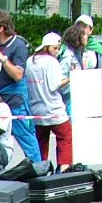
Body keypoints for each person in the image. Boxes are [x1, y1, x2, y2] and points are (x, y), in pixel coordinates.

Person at [0, 10, 41, 163]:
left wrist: (1, 57)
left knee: (25, 135)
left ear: (1, 28)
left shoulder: (18, 46)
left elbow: (18, 75)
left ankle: (38, 167)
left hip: (15, 100)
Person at [25, 33, 70, 172]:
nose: (57, 51)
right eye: (55, 48)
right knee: (66, 138)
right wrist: (70, 78)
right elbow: (54, 85)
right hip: (53, 108)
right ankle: (64, 169)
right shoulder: (51, 62)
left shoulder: (30, 61)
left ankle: (40, 170)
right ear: (47, 47)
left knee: (41, 142)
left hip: (36, 109)